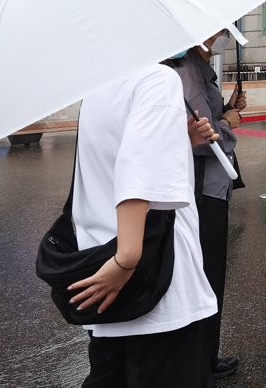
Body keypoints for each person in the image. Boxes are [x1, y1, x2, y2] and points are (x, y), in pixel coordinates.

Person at [71, 63, 219, 387]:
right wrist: (127, 259)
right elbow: (136, 169)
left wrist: (181, 136)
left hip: (108, 289)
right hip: (160, 290)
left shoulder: (97, 88)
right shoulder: (158, 78)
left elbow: (116, 156)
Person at [172, 32, 246, 380]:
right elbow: (203, 135)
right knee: (206, 272)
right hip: (204, 188)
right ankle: (199, 362)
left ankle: (205, 357)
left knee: (211, 271)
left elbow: (209, 117)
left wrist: (229, 109)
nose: (223, 34)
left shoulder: (200, 68)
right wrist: (229, 122)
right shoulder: (189, 70)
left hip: (213, 184)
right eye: (218, 30)